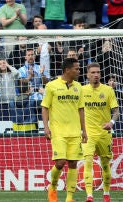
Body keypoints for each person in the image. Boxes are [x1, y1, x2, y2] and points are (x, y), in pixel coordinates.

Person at [41, 58, 88, 202]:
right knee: (60, 162)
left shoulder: (78, 87)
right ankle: (53, 187)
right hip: (58, 132)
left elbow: (81, 109)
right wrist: (46, 127)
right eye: (76, 68)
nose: (79, 71)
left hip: (74, 132)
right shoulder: (51, 86)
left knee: (73, 163)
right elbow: (45, 107)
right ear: (67, 70)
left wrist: (84, 131)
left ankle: (69, 198)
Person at [81, 63, 119, 202]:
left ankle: (106, 194)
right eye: (93, 72)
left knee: (105, 165)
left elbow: (116, 111)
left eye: (98, 72)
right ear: (87, 75)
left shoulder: (108, 90)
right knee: (88, 161)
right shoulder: (82, 90)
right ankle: (89, 195)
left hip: (104, 134)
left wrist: (111, 123)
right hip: (88, 134)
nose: (96, 74)